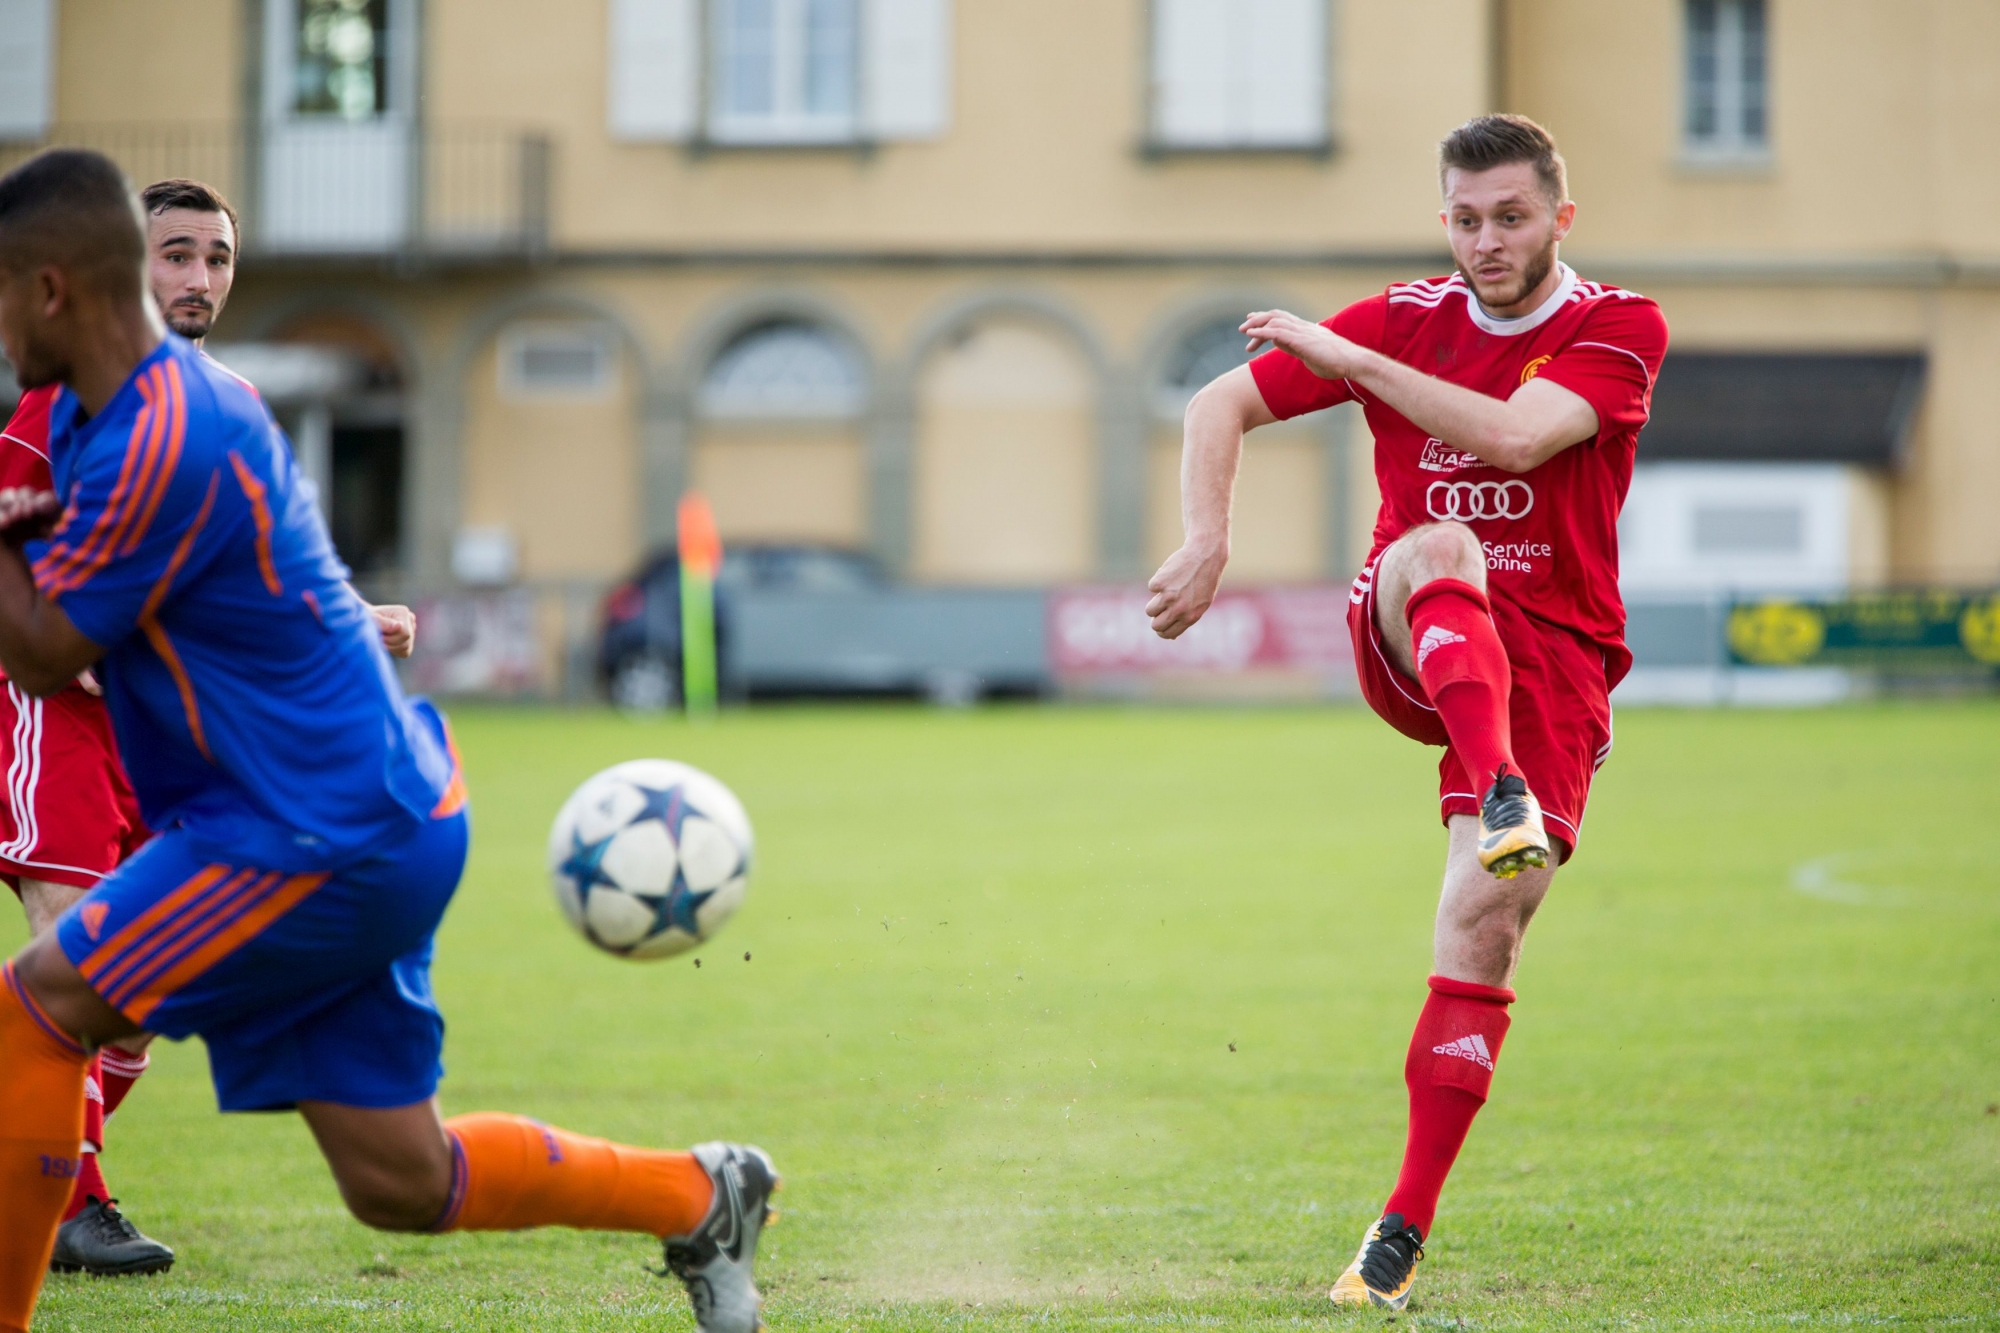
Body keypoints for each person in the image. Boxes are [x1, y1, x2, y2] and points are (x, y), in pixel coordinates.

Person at [0, 149, 778, 1333]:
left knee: (36, 1011)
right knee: (402, 1182)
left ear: (53, 288)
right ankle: (699, 1192)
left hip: (305, 830)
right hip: (367, 810)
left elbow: (47, 654)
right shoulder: (140, 415)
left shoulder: (165, 428)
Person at [1146, 114, 1667, 1309]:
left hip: (1554, 662)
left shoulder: (1616, 327)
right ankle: (1497, 788)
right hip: (1411, 621)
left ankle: (1397, 1231)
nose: (1483, 241)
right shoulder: (1405, 311)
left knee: (1484, 928)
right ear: (1444, 216)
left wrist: (1344, 358)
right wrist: (1207, 538)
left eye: (1509, 217)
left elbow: (1514, 436)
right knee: (1439, 540)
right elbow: (1213, 404)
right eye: (1463, 218)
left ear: (1558, 220)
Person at [0, 176, 412, 1276]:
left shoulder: (224, 401)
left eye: (216, 259)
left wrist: (356, 616)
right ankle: (75, 1211)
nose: (197, 278)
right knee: (73, 955)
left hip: (156, 740)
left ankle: (29, 1161)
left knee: (135, 1002)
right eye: (174, 255)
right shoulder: (61, 398)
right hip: (50, 717)